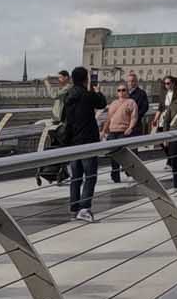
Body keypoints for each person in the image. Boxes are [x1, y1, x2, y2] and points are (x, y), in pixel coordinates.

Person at [59, 66, 105, 222]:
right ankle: (84, 208)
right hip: (88, 141)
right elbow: (102, 103)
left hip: (73, 142)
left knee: (76, 177)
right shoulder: (88, 95)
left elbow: (64, 118)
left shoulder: (68, 96)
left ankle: (74, 208)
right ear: (86, 79)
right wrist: (97, 90)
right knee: (90, 176)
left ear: (72, 79)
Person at [103, 82, 140, 183]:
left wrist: (130, 128)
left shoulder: (131, 102)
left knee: (123, 154)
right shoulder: (113, 103)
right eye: (119, 90)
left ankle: (130, 173)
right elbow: (109, 118)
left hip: (123, 131)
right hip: (112, 131)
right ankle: (115, 176)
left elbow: (134, 117)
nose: (121, 92)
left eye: (124, 90)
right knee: (113, 154)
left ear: (127, 92)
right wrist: (103, 130)